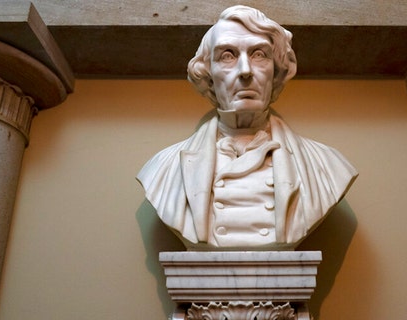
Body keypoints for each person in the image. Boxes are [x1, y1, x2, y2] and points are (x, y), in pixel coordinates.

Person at [137, 5, 357, 249]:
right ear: (209, 76)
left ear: (277, 72)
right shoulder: (164, 167)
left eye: (259, 54)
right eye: (227, 56)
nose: (245, 71)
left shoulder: (326, 166)